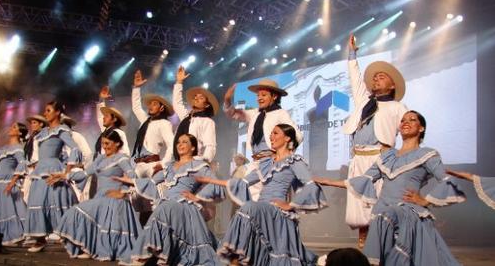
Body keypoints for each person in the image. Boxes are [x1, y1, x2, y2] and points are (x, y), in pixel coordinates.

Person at [315, 111, 465, 266]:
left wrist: (425, 201)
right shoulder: (388, 156)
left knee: (389, 223)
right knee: (385, 240)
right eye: (402, 120)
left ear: (421, 129)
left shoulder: (427, 154)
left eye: (412, 120)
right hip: (382, 211)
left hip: (406, 211)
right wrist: (328, 181)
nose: (405, 122)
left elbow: (447, 179)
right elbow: (364, 179)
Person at [196, 124, 327, 266]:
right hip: (261, 208)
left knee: (248, 208)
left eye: (276, 133)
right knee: (247, 209)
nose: (271, 136)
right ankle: (237, 259)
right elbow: (242, 182)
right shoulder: (266, 163)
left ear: (287, 138)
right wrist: (210, 180)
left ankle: (235, 258)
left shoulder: (294, 161)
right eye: (271, 133)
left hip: (277, 211)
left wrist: (290, 205)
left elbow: (310, 185)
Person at [116, 134, 225, 265]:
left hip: (185, 205)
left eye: (185, 142)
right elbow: (151, 182)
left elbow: (215, 183)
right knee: (164, 206)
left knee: (164, 207)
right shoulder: (169, 166)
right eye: (178, 142)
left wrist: (198, 196)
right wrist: (131, 181)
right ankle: (155, 255)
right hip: (168, 203)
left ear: (193, 147)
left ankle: (142, 257)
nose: (180, 144)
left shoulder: (199, 165)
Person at [342, 34, 407, 247]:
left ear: (392, 86)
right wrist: (352, 54)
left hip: (380, 159)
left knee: (378, 205)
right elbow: (354, 78)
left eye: (382, 76)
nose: (376, 78)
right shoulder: (364, 101)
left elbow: (408, 135)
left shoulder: (398, 108)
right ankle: (363, 243)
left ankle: (384, 244)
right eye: (375, 77)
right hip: (359, 158)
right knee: (360, 204)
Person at [49, 130, 141, 261]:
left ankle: (94, 249)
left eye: (108, 143)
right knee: (76, 211)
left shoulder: (122, 159)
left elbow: (134, 178)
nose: (105, 146)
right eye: (103, 143)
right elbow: (85, 174)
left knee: (78, 210)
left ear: (117, 144)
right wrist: (64, 175)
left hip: (113, 199)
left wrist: (123, 192)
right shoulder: (101, 159)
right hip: (100, 197)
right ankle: (89, 248)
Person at [223, 78, 302, 201]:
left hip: (272, 165)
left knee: (270, 204)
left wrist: (282, 156)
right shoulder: (255, 113)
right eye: (258, 95)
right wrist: (227, 100)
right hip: (256, 164)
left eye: (264, 95)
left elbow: (297, 135)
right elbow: (233, 114)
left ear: (274, 96)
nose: (259, 98)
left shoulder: (280, 114)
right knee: (252, 205)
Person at [23, 101, 82, 253]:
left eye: (48, 110)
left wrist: (67, 172)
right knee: (37, 201)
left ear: (57, 113)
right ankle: (40, 238)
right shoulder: (42, 133)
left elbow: (75, 148)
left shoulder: (61, 130)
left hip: (53, 168)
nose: (45, 113)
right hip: (40, 169)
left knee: (57, 201)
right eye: (45, 110)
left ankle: (69, 236)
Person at [130, 70, 175, 225]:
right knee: (138, 201)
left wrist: (163, 164)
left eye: (154, 104)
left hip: (152, 164)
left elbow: (172, 145)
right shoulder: (145, 121)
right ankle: (142, 235)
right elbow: (136, 108)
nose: (150, 105)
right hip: (138, 164)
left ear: (162, 108)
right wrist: (136, 88)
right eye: (150, 103)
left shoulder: (164, 123)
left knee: (153, 202)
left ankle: (155, 234)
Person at [172, 65, 218, 162]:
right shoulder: (187, 117)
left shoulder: (207, 121)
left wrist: (202, 166)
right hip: (179, 161)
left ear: (206, 105)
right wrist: (179, 82)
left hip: (194, 162)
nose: (196, 98)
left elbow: (210, 146)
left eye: (201, 98)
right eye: (195, 97)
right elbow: (177, 103)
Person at [60, 115, 93, 202]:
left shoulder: (77, 136)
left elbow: (88, 155)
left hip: (75, 173)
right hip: (61, 173)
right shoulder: (57, 139)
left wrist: (77, 166)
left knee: (75, 198)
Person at [96, 86, 130, 157]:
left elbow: (125, 153)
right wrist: (101, 99)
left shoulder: (119, 133)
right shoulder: (106, 132)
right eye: (104, 116)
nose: (103, 118)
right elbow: (99, 117)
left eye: (107, 116)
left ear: (114, 119)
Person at [22, 114, 48, 203]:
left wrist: (38, 164)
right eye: (31, 123)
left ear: (41, 124)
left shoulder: (45, 135)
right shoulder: (31, 137)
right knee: (26, 194)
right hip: (30, 167)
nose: (32, 125)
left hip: (39, 167)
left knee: (37, 194)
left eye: (34, 123)